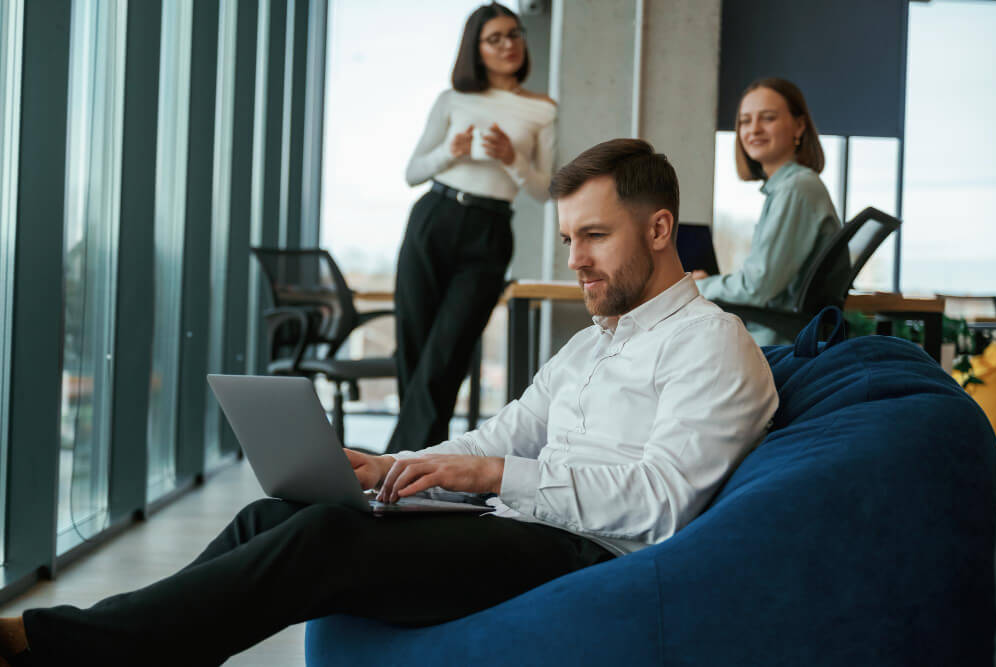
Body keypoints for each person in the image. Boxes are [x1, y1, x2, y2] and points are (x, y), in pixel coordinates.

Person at [0, 139, 777, 667]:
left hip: (589, 556)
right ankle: (111, 648)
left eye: (595, 236)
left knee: (331, 537)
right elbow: (507, 430)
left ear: (661, 228)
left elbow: (663, 503)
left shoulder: (711, 345)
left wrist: (490, 476)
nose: (574, 260)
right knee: (276, 515)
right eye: (569, 237)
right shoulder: (593, 343)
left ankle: (52, 644)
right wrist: (394, 466)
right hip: (521, 526)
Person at [389, 3, 557, 453]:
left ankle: (394, 466)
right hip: (434, 217)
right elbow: (413, 172)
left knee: (447, 353)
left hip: (490, 229)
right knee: (415, 348)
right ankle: (417, 467)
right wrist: (450, 150)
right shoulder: (451, 100)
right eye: (495, 38)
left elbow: (545, 190)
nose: (509, 45)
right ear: (476, 49)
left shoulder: (542, 110)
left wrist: (512, 159)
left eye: (515, 34)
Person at [691, 77, 846, 345]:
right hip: (777, 338)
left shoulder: (796, 189)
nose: (754, 130)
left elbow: (758, 287)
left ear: (799, 126)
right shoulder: (789, 187)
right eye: (745, 121)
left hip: (775, 344)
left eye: (768, 118)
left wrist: (699, 286)